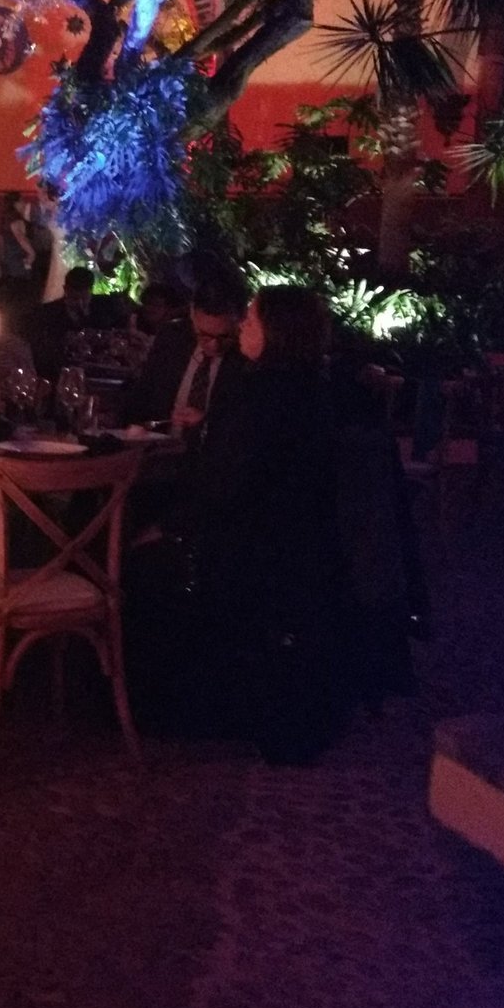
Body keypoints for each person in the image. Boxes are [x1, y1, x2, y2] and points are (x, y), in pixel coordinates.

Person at [186, 285, 352, 763]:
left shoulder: (260, 392)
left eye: (253, 321)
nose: (242, 326)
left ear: (276, 332)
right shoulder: (312, 387)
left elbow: (231, 484)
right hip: (302, 544)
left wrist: (178, 525)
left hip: (255, 548)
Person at [125, 275, 246, 433]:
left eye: (225, 336)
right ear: (192, 314)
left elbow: (247, 425)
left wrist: (206, 422)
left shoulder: (247, 355)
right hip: (160, 446)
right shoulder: (173, 337)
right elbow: (144, 393)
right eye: (204, 335)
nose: (214, 345)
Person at [27, 266, 124, 379]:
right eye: (74, 298)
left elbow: (112, 334)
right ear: (66, 290)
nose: (79, 302)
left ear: (91, 291)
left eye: (84, 297)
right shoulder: (49, 312)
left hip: (97, 369)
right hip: (59, 370)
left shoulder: (103, 308)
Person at [0, 191, 36, 282]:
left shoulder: (6, 219)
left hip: (9, 257)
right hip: (18, 258)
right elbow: (21, 237)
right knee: (22, 285)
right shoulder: (15, 219)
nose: (24, 204)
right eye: (22, 201)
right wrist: (32, 253)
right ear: (16, 204)